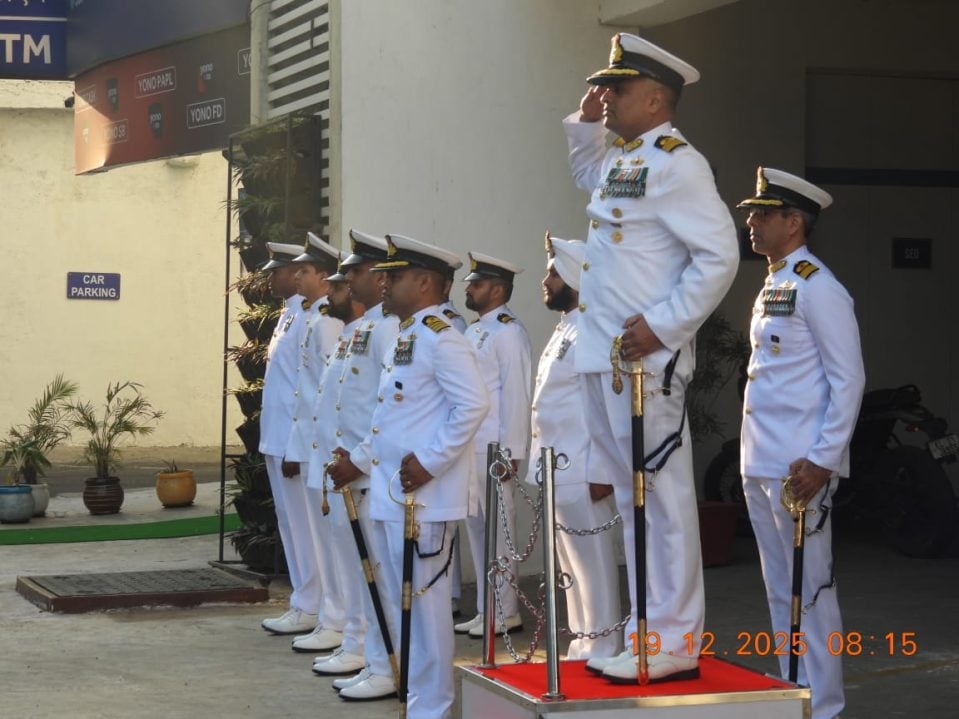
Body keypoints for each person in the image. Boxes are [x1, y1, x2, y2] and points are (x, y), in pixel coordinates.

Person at [563, 32, 739, 682]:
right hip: (604, 359)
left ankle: (675, 639)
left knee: (661, 501)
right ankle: (644, 630)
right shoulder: (625, 157)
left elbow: (718, 255)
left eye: (615, 88)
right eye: (603, 87)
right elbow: (589, 177)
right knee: (635, 503)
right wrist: (583, 127)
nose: (603, 97)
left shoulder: (676, 163)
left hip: (644, 364)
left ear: (655, 97)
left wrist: (663, 327)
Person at [330, 233, 489, 718]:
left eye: (394, 276)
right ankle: (417, 698)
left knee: (427, 607)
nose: (383, 282)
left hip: (424, 496)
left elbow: (474, 404)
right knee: (407, 606)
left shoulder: (443, 337)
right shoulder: (406, 334)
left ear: (423, 282)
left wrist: (431, 460)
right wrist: (356, 461)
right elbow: (388, 419)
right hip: (392, 493)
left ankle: (433, 706)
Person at [738, 167, 864, 719]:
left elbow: (849, 378)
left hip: (798, 466)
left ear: (794, 222)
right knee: (778, 585)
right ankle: (793, 688)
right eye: (751, 213)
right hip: (761, 460)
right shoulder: (774, 282)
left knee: (812, 589)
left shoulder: (819, 286)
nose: (751, 222)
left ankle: (827, 703)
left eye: (762, 214)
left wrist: (823, 460)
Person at [314, 230, 401, 702]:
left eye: (353, 273)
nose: (346, 280)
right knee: (363, 577)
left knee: (382, 580)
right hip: (349, 471)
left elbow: (387, 408)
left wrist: (361, 460)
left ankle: (388, 667)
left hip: (370, 475)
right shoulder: (363, 328)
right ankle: (371, 658)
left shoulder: (390, 330)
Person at [528, 234, 621, 660]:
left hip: (584, 465)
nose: (546, 280)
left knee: (594, 564)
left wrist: (603, 469)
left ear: (577, 276)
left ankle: (604, 643)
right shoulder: (566, 327)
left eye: (553, 271)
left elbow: (603, 404)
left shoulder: (592, 328)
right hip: (558, 465)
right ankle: (584, 638)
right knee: (570, 565)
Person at [455, 251, 531, 639]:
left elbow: (517, 393)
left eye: (478, 283)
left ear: (498, 290)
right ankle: (487, 607)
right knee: (478, 531)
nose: (469, 288)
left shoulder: (508, 332)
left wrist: (513, 450)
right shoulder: (476, 329)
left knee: (500, 533)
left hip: (495, 449)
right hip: (472, 447)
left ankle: (506, 610)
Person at [284, 233, 345, 653]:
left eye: (304, 271)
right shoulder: (313, 318)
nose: (297, 277)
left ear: (323, 276)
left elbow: (332, 393)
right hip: (310, 445)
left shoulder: (329, 324)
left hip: (324, 448)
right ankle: (330, 615)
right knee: (323, 541)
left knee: (333, 541)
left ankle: (337, 619)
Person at [258, 241, 320, 636]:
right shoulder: (290, 316)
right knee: (290, 523)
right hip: (277, 437)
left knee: (305, 525)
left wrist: (297, 444)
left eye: (278, 271)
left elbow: (307, 388)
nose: (274, 277)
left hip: (293, 442)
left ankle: (312, 602)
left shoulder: (312, 319)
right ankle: (303, 597)